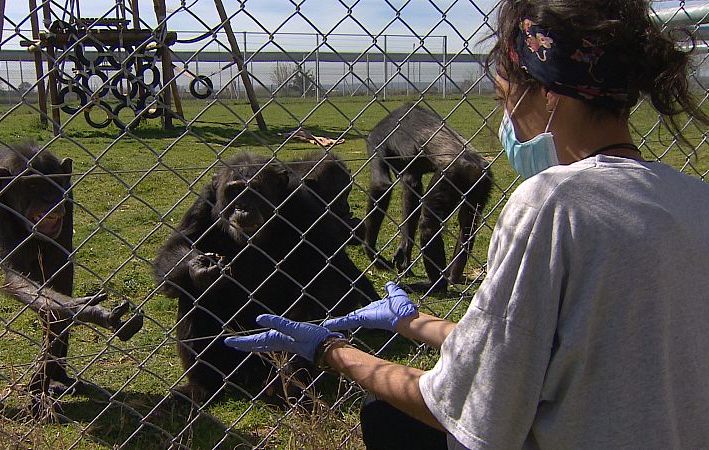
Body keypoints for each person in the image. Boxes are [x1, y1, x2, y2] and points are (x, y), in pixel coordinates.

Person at [226, 0, 709, 448]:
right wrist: (416, 323)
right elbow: (533, 350)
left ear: (546, 92)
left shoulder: (553, 203)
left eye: (504, 96)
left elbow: (472, 410)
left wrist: (330, 349)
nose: (506, 117)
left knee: (385, 413)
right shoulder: (695, 198)